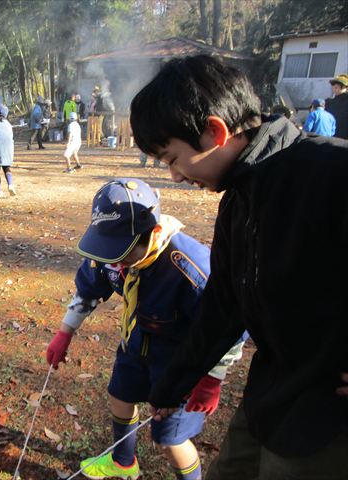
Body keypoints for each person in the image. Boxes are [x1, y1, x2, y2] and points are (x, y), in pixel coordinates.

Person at [130, 54, 348, 479]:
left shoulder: (331, 173)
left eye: (171, 158)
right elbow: (224, 304)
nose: (173, 176)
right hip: (269, 396)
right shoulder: (239, 199)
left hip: (324, 420)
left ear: (215, 131)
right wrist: (173, 385)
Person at [47, 178, 245, 480]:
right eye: (107, 250)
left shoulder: (192, 270)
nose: (115, 261)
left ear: (151, 234)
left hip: (182, 363)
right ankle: (123, 462)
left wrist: (211, 378)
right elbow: (89, 289)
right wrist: (66, 331)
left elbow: (229, 325)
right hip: (136, 343)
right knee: (120, 397)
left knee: (169, 440)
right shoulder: (111, 248)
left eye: (123, 253)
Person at [325, 73, 348, 139]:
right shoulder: (329, 101)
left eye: (336, 88)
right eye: (333, 88)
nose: (334, 90)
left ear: (344, 87)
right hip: (332, 134)